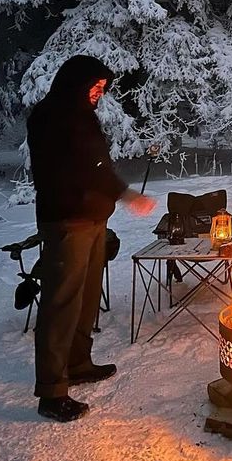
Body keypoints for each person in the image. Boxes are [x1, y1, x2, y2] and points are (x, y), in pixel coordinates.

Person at [27, 55, 156, 422]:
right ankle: (52, 392)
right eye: (95, 87)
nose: (100, 94)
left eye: (103, 88)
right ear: (76, 83)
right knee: (61, 302)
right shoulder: (53, 116)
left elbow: (95, 163)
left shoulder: (80, 115)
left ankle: (79, 362)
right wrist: (127, 194)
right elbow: (86, 167)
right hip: (68, 220)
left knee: (85, 297)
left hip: (92, 219)